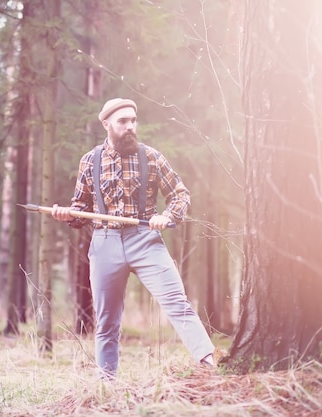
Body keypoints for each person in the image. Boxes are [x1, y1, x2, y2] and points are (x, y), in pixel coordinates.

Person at [51, 98, 215, 378]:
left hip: (146, 240)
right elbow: (80, 211)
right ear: (106, 125)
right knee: (106, 322)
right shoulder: (90, 161)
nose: (129, 127)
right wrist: (66, 214)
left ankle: (208, 364)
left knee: (177, 302)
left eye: (132, 121)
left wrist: (168, 216)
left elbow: (179, 193)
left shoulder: (150, 156)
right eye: (122, 122)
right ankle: (106, 384)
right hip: (104, 243)